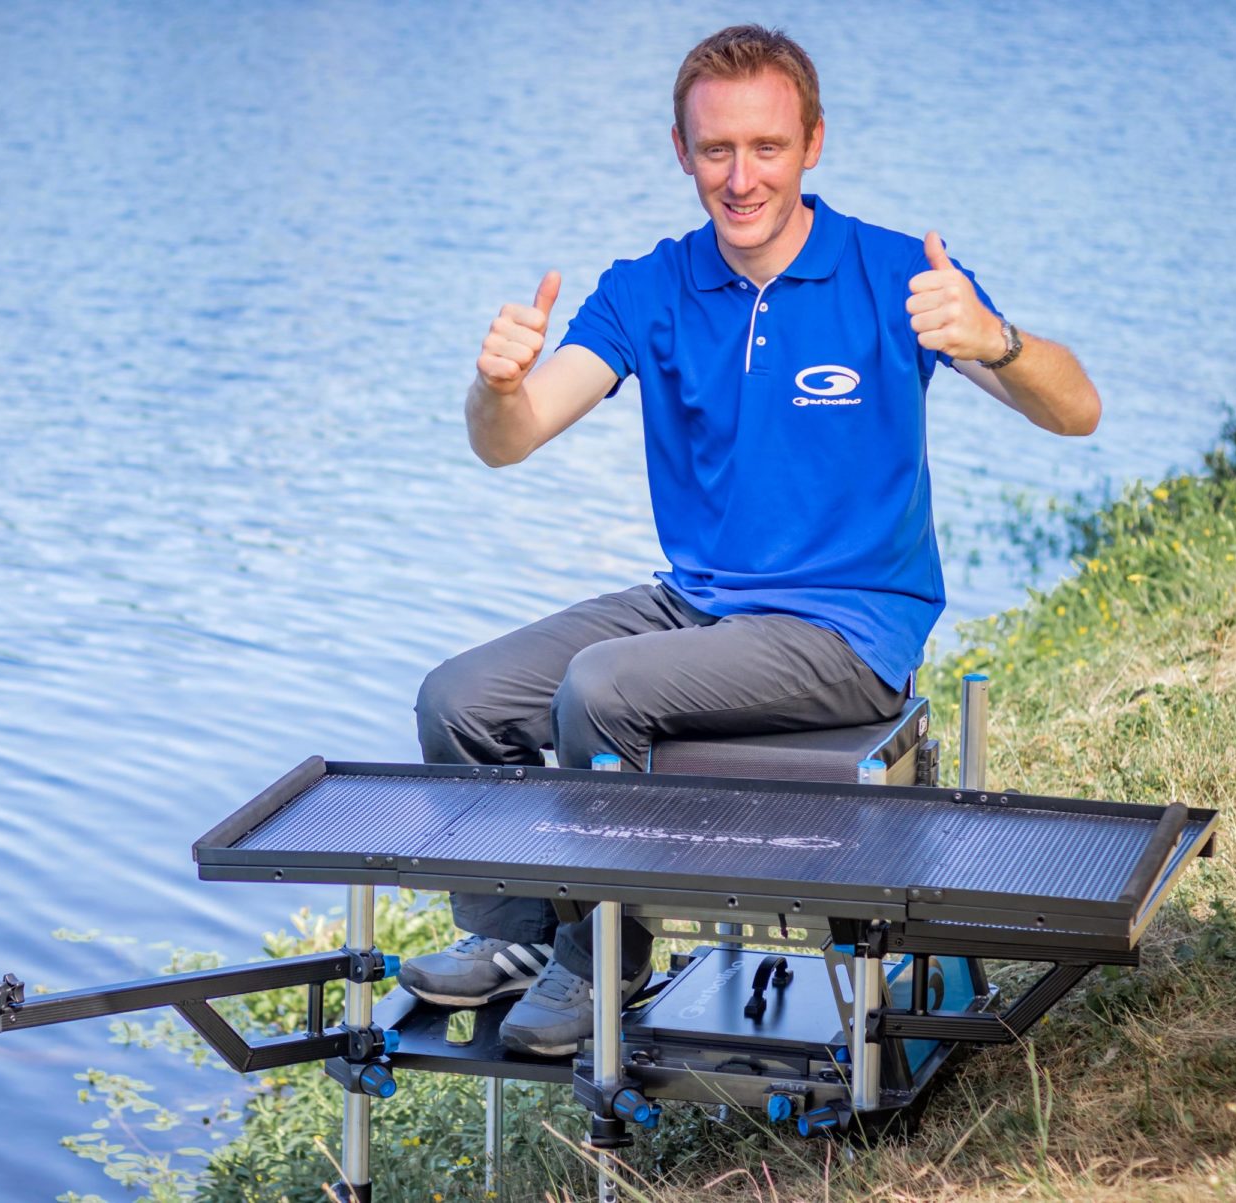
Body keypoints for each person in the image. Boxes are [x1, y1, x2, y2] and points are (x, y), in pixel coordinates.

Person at [399, 24, 1100, 1057]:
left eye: (766, 147)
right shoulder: (648, 288)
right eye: (716, 150)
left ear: (814, 142)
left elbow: (1076, 411)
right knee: (458, 700)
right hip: (701, 604)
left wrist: (996, 339)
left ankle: (606, 956)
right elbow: (513, 440)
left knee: (600, 688)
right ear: (681, 152)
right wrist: (495, 387)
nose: (741, 177)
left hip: (848, 629)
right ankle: (513, 939)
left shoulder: (901, 276)